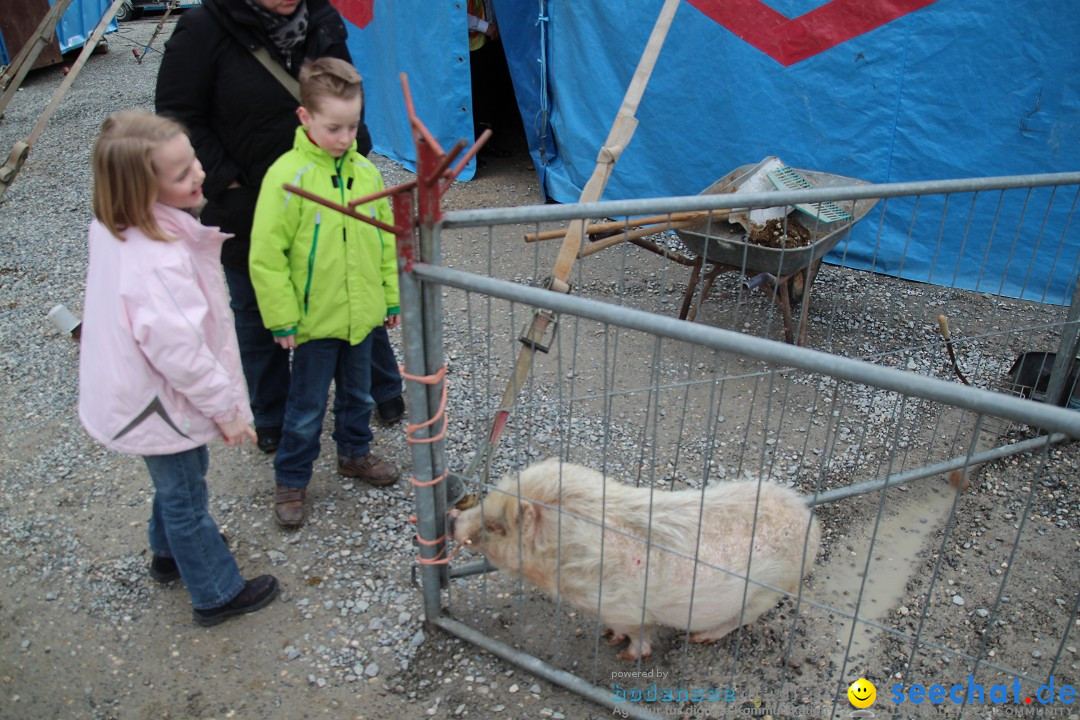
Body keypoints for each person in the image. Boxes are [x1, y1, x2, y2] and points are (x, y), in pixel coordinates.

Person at [155, 0, 405, 457]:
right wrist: (225, 180)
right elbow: (176, 114)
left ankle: (382, 391)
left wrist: (355, 146)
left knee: (353, 291)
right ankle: (271, 415)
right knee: (256, 310)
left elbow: (345, 85)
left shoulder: (320, 17)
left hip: (330, 191)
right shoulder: (203, 28)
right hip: (248, 201)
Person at [78, 111, 279, 626]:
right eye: (182, 173)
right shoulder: (157, 261)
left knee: (177, 479)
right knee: (187, 492)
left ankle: (167, 555)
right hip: (159, 401)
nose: (200, 176)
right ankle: (215, 593)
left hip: (134, 393)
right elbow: (182, 353)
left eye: (194, 161)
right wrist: (229, 411)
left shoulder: (114, 225)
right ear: (144, 190)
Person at [249, 57, 401, 528]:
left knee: (358, 396)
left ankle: (355, 453)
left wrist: (390, 298)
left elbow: (385, 239)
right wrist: (282, 318)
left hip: (362, 317)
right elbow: (266, 255)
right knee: (306, 406)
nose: (344, 138)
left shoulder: (368, 175)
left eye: (353, 126)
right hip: (314, 323)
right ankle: (291, 477)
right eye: (333, 127)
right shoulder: (286, 176)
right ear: (305, 118)